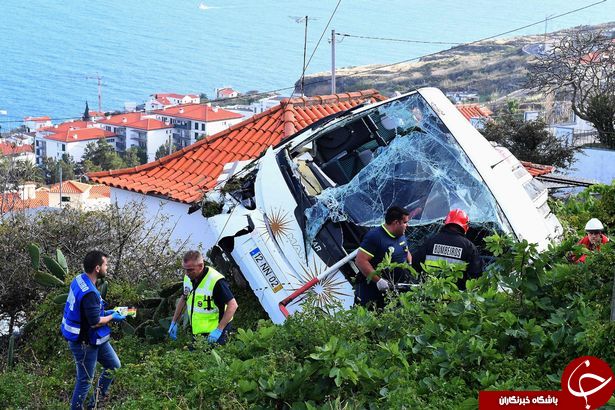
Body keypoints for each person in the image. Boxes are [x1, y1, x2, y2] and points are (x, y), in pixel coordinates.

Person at [61, 250, 126, 410]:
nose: (107, 268)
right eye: (106, 265)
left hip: (94, 338)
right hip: (84, 342)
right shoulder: (90, 292)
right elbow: (95, 322)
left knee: (114, 366)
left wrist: (106, 312)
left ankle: (95, 405)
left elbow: (87, 312)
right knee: (85, 381)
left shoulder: (79, 280)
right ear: (97, 268)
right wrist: (112, 317)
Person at [168, 250, 238, 345]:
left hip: (217, 331)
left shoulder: (216, 280)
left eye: (190, 270)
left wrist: (219, 329)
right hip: (198, 332)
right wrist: (174, 322)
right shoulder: (188, 277)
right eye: (185, 269)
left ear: (201, 266)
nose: (187, 273)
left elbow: (233, 305)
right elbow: (184, 298)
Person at [355, 205, 413, 308]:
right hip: (374, 292)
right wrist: (378, 280)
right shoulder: (375, 237)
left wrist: (409, 264)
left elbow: (405, 249)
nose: (407, 225)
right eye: (404, 222)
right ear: (396, 222)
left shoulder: (401, 234)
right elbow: (360, 260)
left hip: (395, 289)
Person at [412, 209, 483, 290]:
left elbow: (414, 264)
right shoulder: (469, 247)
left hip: (430, 292)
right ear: (465, 226)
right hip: (456, 297)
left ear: (446, 222)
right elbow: (476, 275)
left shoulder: (431, 241)